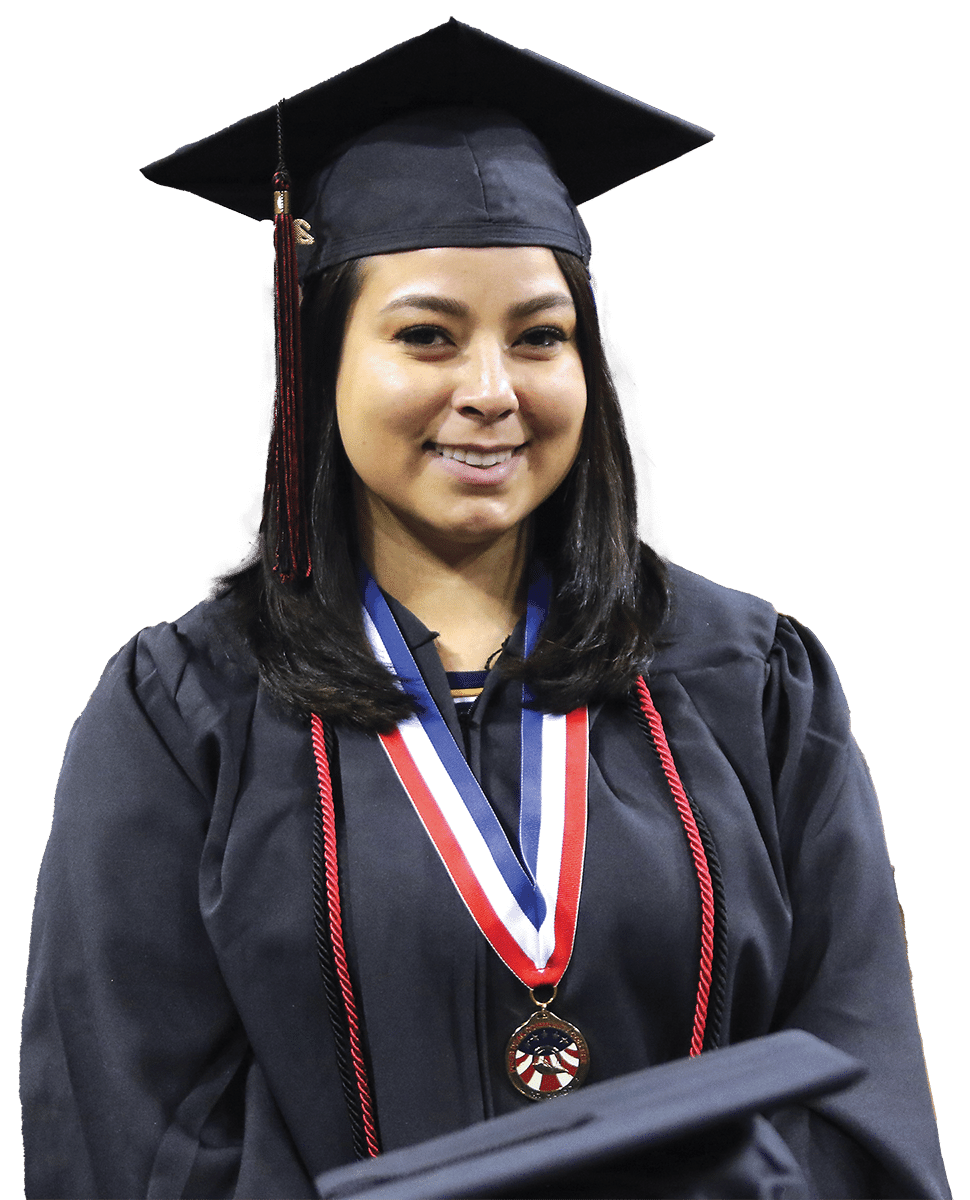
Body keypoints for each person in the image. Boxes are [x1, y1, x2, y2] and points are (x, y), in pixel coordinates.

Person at [20, 19, 950, 1200]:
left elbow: (854, 1066)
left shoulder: (747, 678)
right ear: (321, 365)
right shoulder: (184, 715)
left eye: (540, 337)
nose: (492, 392)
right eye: (425, 336)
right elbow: (130, 1130)